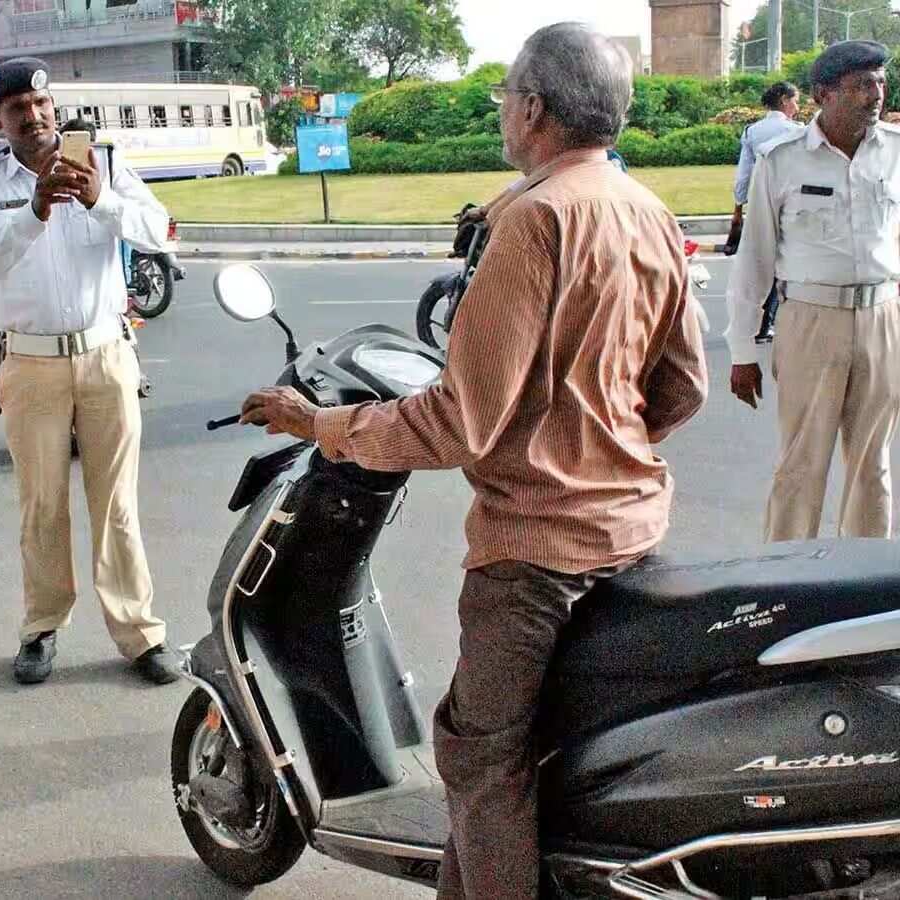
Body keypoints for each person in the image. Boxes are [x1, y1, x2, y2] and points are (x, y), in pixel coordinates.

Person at [241, 23, 708, 899]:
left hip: (537, 556)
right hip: (636, 532)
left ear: (532, 109)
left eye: (505, 97)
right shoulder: (648, 210)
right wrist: (603, 446)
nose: (502, 109)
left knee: (479, 756)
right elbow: (682, 388)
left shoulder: (534, 222)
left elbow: (462, 421)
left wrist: (321, 426)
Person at [0, 58, 180, 686]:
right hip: (29, 362)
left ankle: (139, 634)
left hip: (106, 354)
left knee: (117, 505)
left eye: (40, 105)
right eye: (16, 111)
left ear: (53, 107)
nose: (32, 118)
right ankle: (41, 628)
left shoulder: (102, 162)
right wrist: (32, 210)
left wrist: (99, 198)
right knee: (42, 504)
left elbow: (161, 232)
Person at [727, 41, 900, 543]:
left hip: (883, 318)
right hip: (810, 321)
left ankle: (862, 588)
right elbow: (753, 260)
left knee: (874, 469)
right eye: (862, 84)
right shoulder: (782, 161)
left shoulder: (895, 151)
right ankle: (784, 586)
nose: (876, 94)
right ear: (824, 94)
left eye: (880, 81)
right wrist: (742, 350)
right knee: (801, 465)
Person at [725, 81, 803, 344]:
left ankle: (757, 323)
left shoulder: (752, 132)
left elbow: (743, 175)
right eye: (795, 100)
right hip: (791, 204)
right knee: (786, 264)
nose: (798, 105)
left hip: (760, 203)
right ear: (784, 100)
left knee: (760, 265)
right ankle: (771, 321)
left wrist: (738, 208)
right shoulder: (796, 132)